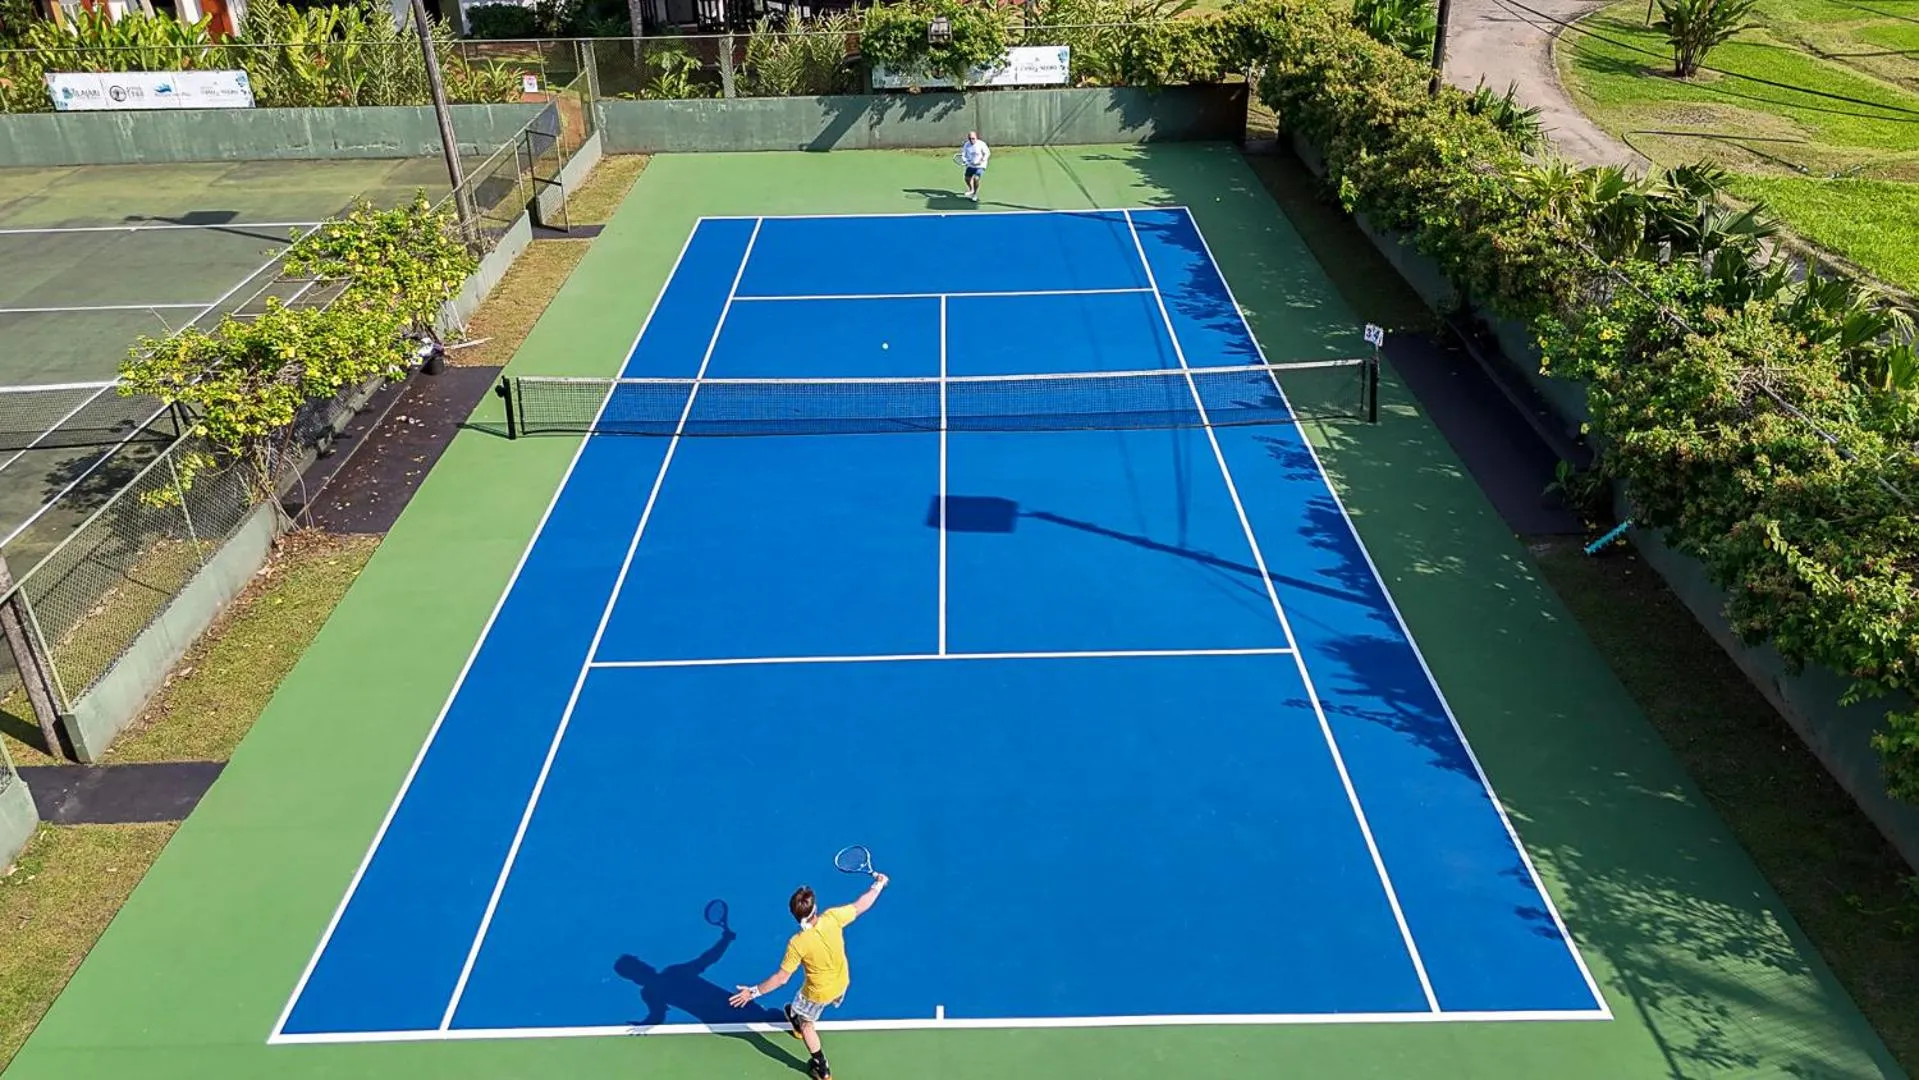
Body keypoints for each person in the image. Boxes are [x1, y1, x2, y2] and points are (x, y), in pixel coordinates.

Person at [730, 874, 889, 1080]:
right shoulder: (833, 917)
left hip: (817, 994)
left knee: (807, 1025)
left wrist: (751, 993)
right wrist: (879, 884)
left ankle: (821, 1067)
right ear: (815, 907)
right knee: (797, 1005)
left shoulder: (797, 943)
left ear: (795, 916)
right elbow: (860, 905)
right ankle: (797, 1017)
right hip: (842, 983)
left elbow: (781, 978)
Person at [958, 131, 990, 202]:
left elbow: (987, 153)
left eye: (973, 138)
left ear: (976, 138)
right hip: (970, 165)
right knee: (967, 178)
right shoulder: (967, 145)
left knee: (976, 178)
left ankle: (975, 194)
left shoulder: (981, 144)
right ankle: (971, 189)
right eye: (970, 139)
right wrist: (965, 161)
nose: (971, 140)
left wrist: (982, 160)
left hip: (980, 166)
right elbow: (963, 154)